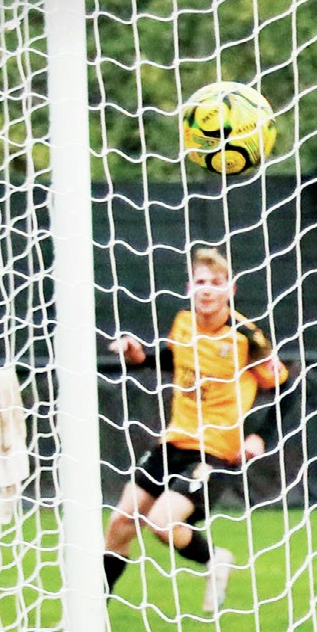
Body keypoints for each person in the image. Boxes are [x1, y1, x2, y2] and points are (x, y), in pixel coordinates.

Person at [103, 245, 287, 613]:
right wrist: (141, 357)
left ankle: (215, 558)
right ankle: (92, 613)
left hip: (215, 451)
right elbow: (178, 359)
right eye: (201, 282)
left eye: (216, 283)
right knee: (120, 523)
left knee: (161, 522)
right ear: (190, 287)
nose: (207, 290)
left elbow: (286, 387)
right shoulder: (183, 323)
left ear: (230, 290)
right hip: (174, 441)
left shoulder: (247, 338)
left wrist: (260, 435)